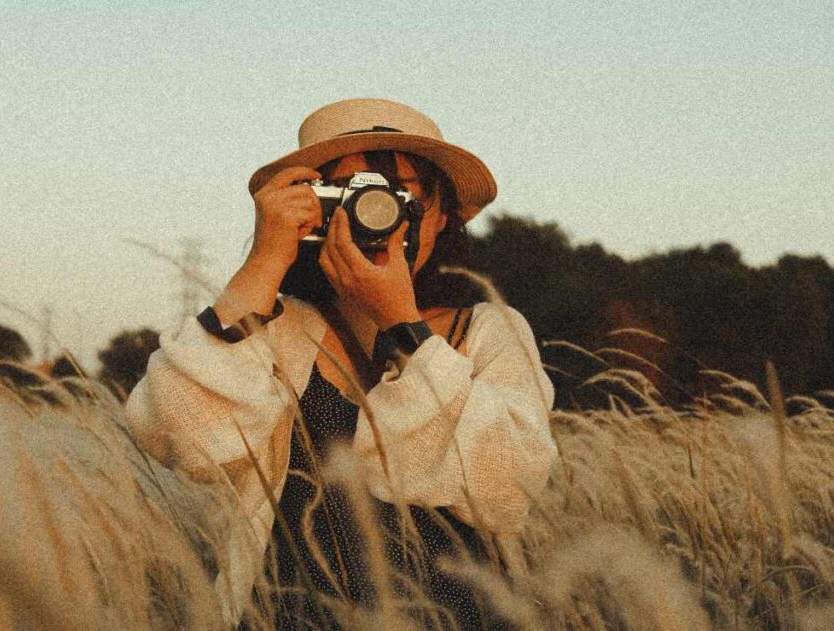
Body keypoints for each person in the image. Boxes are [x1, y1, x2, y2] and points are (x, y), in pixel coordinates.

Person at [125, 98, 558, 630]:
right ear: (317, 210)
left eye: (403, 195)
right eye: (352, 194)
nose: (376, 213)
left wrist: (401, 323)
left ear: (443, 215)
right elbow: (178, 438)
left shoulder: (490, 330)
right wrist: (263, 262)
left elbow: (507, 487)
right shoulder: (276, 332)